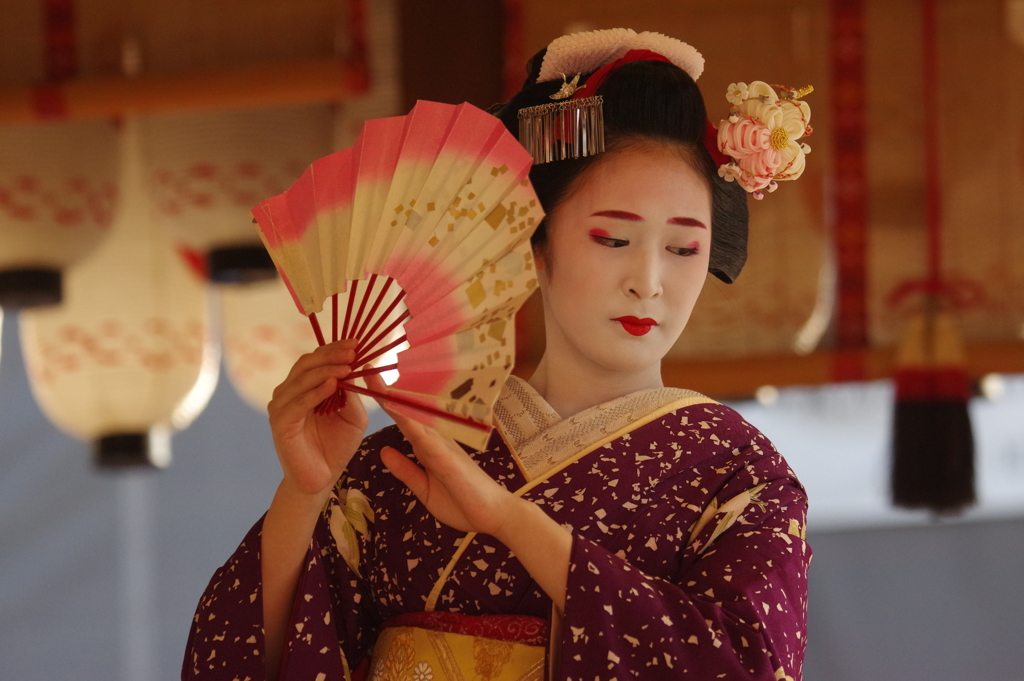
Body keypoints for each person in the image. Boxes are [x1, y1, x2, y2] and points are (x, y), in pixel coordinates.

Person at [183, 28, 811, 681]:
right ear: (534, 244)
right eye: (613, 238)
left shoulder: (740, 477)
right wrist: (304, 492)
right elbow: (234, 662)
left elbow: (745, 668)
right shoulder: (407, 460)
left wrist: (511, 519)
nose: (649, 280)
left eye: (683, 248)